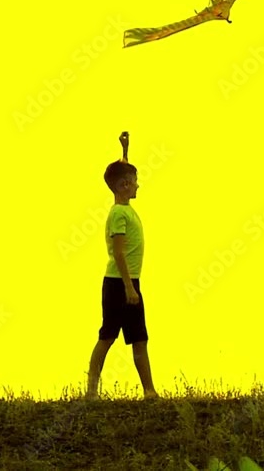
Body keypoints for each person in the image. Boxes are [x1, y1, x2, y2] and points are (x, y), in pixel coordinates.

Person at [85, 132, 158, 400]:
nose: (138, 185)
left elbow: (121, 175)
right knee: (107, 336)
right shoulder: (118, 214)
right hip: (118, 284)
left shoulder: (124, 206)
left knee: (140, 338)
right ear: (125, 185)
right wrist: (128, 288)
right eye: (135, 181)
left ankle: (149, 391)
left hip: (131, 282)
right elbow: (118, 253)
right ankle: (91, 392)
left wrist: (125, 151)